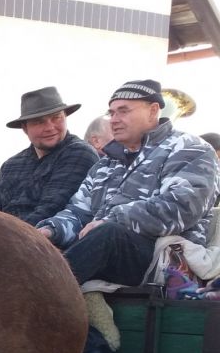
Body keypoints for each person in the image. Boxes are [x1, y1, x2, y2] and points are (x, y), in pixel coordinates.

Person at [36, 78, 218, 286]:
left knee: (108, 234)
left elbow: (183, 207)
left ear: (153, 111)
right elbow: (78, 211)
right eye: (112, 113)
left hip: (163, 257)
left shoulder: (190, 148)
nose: (114, 120)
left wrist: (112, 219)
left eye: (123, 111)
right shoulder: (105, 164)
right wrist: (48, 231)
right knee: (34, 245)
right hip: (104, 249)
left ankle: (40, 292)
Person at [0, 87, 98, 225]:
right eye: (39, 122)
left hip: (49, 236)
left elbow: (51, 210)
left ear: (65, 117)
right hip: (5, 234)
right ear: (25, 128)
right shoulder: (10, 166)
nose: (50, 127)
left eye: (56, 118)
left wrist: (3, 234)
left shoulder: (79, 153)